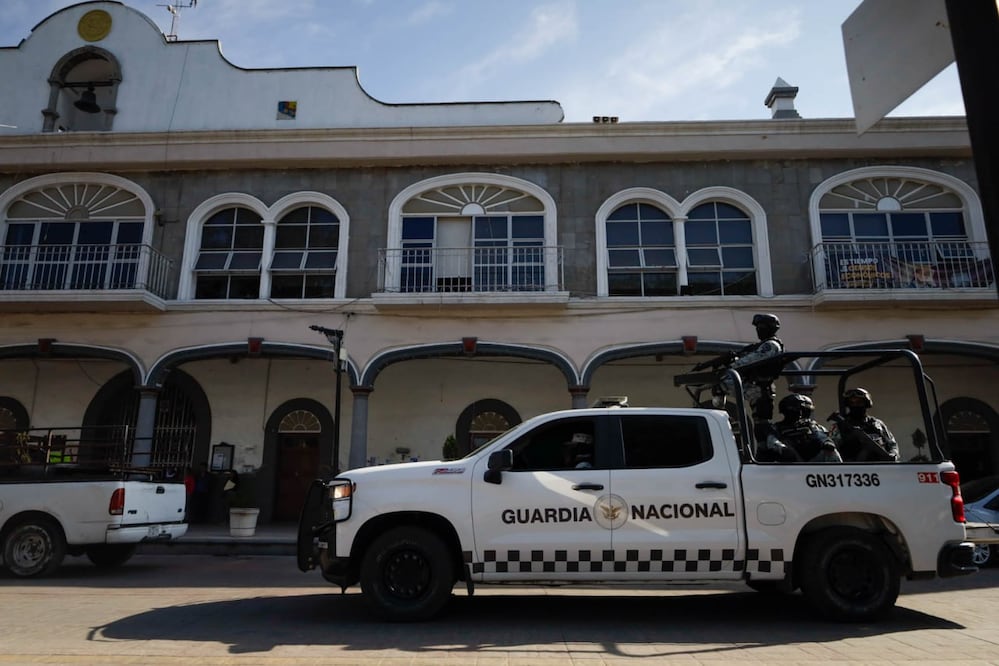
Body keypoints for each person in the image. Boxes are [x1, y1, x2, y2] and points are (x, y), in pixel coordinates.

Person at [828, 388, 899, 462]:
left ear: (866, 403)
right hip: (853, 470)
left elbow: (892, 444)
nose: (855, 405)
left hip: (880, 468)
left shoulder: (877, 424)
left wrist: (893, 454)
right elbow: (832, 452)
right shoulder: (839, 427)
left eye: (859, 402)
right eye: (852, 403)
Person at [775, 393, 842, 463]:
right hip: (789, 465)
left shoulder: (812, 426)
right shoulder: (777, 428)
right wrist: (782, 448)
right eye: (796, 410)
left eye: (803, 411)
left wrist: (826, 442)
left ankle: (839, 470)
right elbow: (773, 441)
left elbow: (822, 436)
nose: (800, 414)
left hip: (812, 463)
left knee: (830, 451)